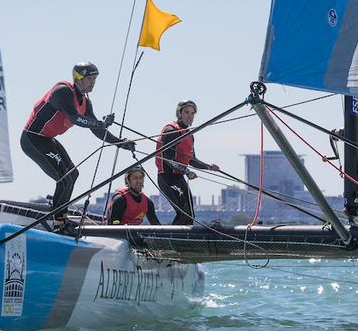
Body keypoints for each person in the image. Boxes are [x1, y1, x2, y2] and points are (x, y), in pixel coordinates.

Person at [22, 62, 135, 230]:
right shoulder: (63, 91)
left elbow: (96, 130)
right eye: (89, 78)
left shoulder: (85, 103)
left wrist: (120, 143)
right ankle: (59, 223)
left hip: (47, 139)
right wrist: (101, 123)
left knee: (73, 174)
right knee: (63, 178)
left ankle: (62, 218)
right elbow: (75, 118)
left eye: (95, 79)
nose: (93, 82)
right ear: (78, 79)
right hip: (32, 139)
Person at [155, 100, 219, 225]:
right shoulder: (171, 130)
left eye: (192, 113)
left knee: (189, 215)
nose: (190, 116)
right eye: (186, 112)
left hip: (179, 177)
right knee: (183, 213)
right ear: (179, 113)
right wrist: (187, 171)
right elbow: (168, 159)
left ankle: (181, 242)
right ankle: (171, 241)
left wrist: (209, 167)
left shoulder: (189, 135)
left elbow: (191, 160)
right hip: (167, 177)